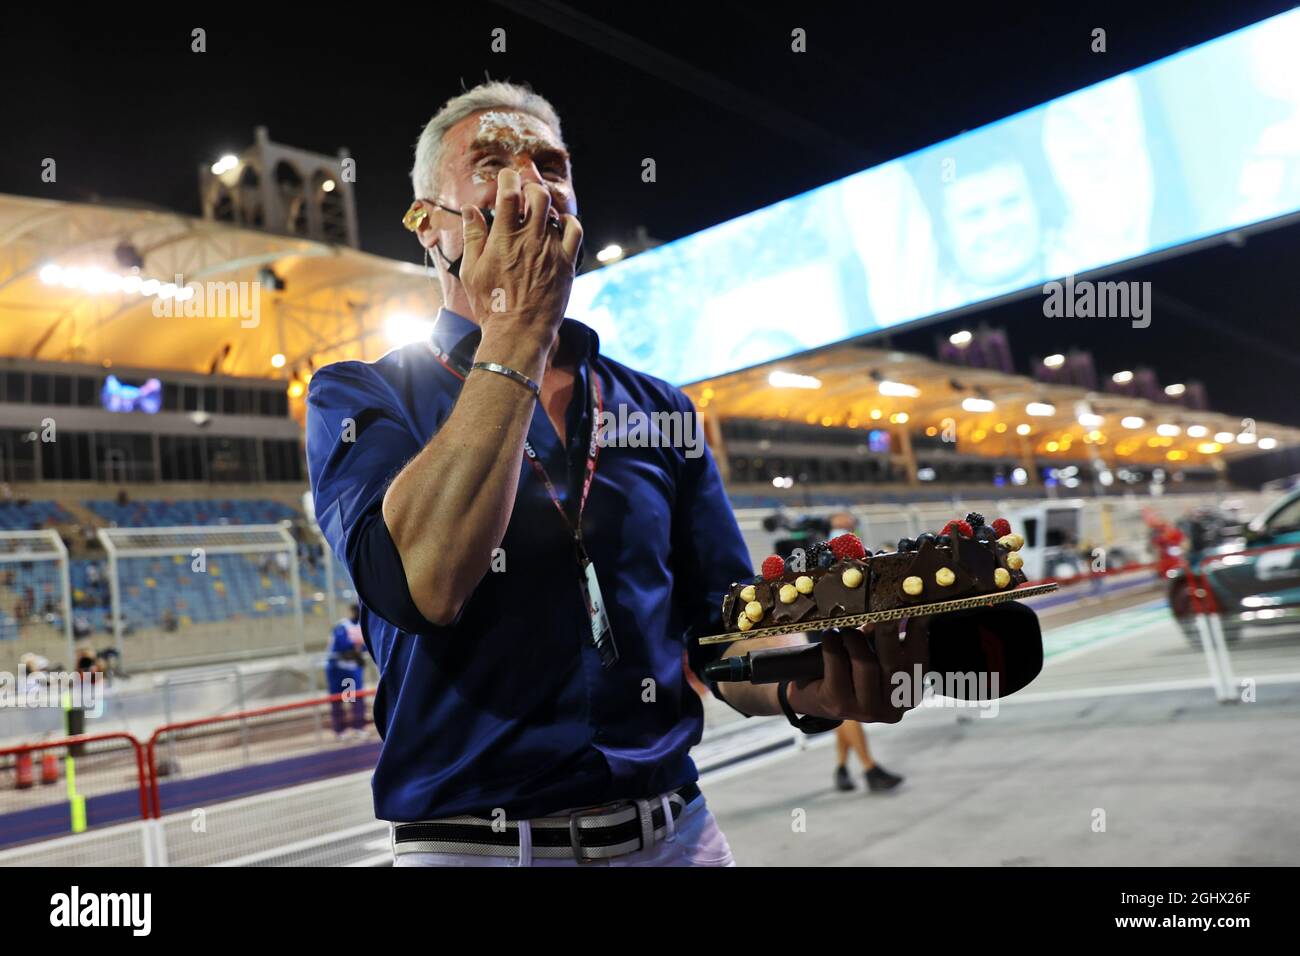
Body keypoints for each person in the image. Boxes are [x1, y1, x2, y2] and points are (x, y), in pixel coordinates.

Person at [306, 81, 932, 868]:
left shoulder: (659, 407)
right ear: (429, 224)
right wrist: (518, 330)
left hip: (674, 834)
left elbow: (723, 631)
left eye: (550, 163)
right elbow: (423, 584)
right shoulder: (360, 394)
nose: (529, 183)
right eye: (493, 161)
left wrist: (815, 686)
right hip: (473, 849)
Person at [823, 512, 904, 794]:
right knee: (848, 707)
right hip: (828, 634)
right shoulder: (828, 553)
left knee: (844, 707)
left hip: (839, 630)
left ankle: (842, 769)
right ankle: (869, 769)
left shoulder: (845, 552)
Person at [325, 603, 367, 740]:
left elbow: (365, 647)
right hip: (337, 669)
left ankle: (358, 727)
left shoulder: (363, 626)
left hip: (351, 669)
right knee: (338, 699)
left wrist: (357, 649)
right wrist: (356, 647)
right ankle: (340, 731)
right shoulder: (342, 626)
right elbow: (342, 645)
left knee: (355, 698)